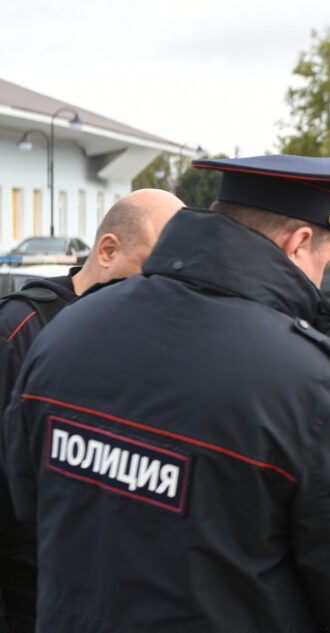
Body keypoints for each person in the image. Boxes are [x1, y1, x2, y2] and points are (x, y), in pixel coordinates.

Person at [0, 155, 330, 633]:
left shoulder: (66, 329)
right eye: (323, 264)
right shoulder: (310, 383)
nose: (320, 284)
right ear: (299, 243)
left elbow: (28, 502)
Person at [0, 187, 182, 633]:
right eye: (153, 267)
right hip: (28, 593)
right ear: (108, 250)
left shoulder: (147, 335)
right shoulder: (20, 329)